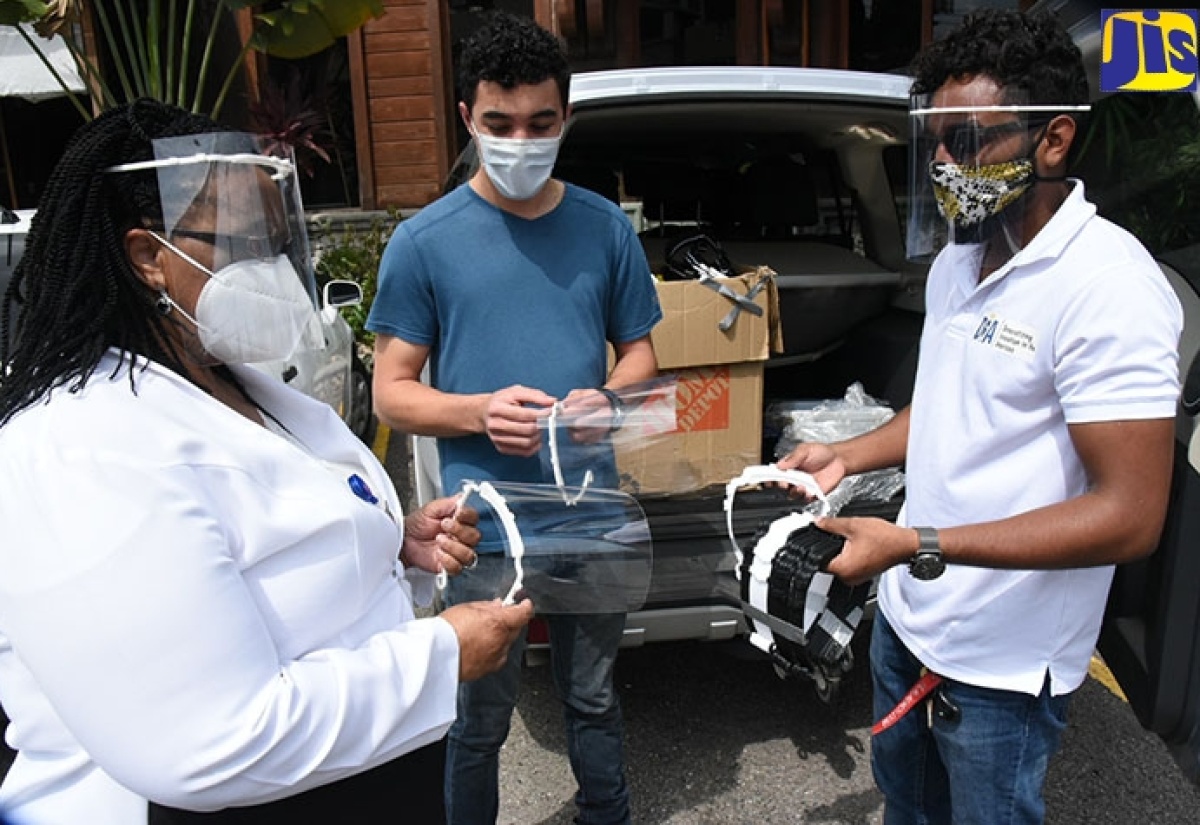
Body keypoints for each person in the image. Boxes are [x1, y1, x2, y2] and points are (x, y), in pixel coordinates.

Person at [0, 99, 534, 825]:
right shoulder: (80, 446)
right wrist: (440, 655)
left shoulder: (233, 383)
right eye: (241, 243)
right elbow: (206, 741)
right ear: (148, 256)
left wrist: (386, 542)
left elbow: (268, 550)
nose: (272, 270)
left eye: (276, 241)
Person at [778, 10, 1183, 824]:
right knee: (907, 805)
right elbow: (950, 404)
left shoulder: (1109, 288)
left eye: (966, 141)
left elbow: (1131, 515)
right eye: (933, 139)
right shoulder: (962, 259)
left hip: (1003, 662)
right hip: (910, 616)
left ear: (1054, 141)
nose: (940, 163)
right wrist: (848, 456)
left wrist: (917, 543)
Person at [367, 12, 662, 824]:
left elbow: (640, 357)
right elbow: (391, 390)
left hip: (591, 519)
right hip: (481, 532)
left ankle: (608, 814)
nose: (520, 140)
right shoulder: (423, 243)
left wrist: (610, 396)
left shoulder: (604, 228)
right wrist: (476, 411)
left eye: (540, 123)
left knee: (594, 699)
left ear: (566, 118)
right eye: (499, 123)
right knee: (476, 719)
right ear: (467, 117)